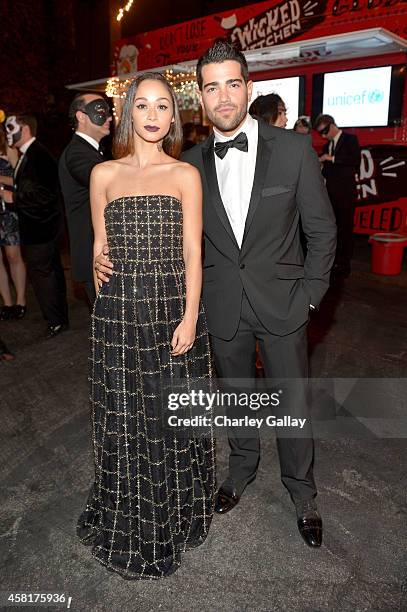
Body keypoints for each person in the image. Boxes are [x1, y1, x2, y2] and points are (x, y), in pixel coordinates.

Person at [95, 43, 336, 548]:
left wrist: (311, 297)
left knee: (291, 401)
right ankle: (240, 470)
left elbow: (322, 231)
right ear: (200, 98)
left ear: (248, 87)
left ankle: (303, 492)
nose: (223, 96)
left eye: (232, 84)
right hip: (220, 305)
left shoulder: (292, 150)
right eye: (211, 87)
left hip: (284, 304)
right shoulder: (190, 163)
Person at [77, 72, 216, 579]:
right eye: (143, 105)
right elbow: (99, 246)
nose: (153, 115)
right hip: (117, 315)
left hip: (169, 310)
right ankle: (128, 514)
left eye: (163, 106)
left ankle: (173, 515)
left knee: (167, 418)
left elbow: (193, 253)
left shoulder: (184, 175)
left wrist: (190, 315)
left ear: (172, 116)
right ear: (128, 112)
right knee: (126, 417)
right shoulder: (103, 175)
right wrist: (97, 266)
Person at [5, 114, 68, 337]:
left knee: (43, 275)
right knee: (50, 273)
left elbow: (45, 194)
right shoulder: (30, 154)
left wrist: (13, 198)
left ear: (25, 129)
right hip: (40, 228)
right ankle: (58, 318)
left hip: (41, 229)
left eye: (12, 127)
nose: (8, 133)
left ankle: (55, 321)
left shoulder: (38, 155)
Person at [59, 94, 112, 304]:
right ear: (81, 116)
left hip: (99, 256)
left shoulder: (91, 151)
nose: (108, 117)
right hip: (94, 256)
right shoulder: (77, 153)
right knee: (109, 330)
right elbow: (109, 184)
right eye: (100, 111)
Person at [314, 114, 361, 279]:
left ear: (333, 125)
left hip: (346, 194)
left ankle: (344, 264)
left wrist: (331, 158)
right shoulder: (327, 146)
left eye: (325, 131)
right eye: (321, 133)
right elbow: (327, 171)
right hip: (330, 195)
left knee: (346, 229)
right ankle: (334, 262)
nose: (324, 135)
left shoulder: (350, 139)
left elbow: (355, 160)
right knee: (333, 230)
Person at [0, 127, 27, 320]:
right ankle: (7, 303)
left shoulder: (8, 149)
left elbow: (20, 180)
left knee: (13, 256)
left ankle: (21, 300)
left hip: (8, 210)